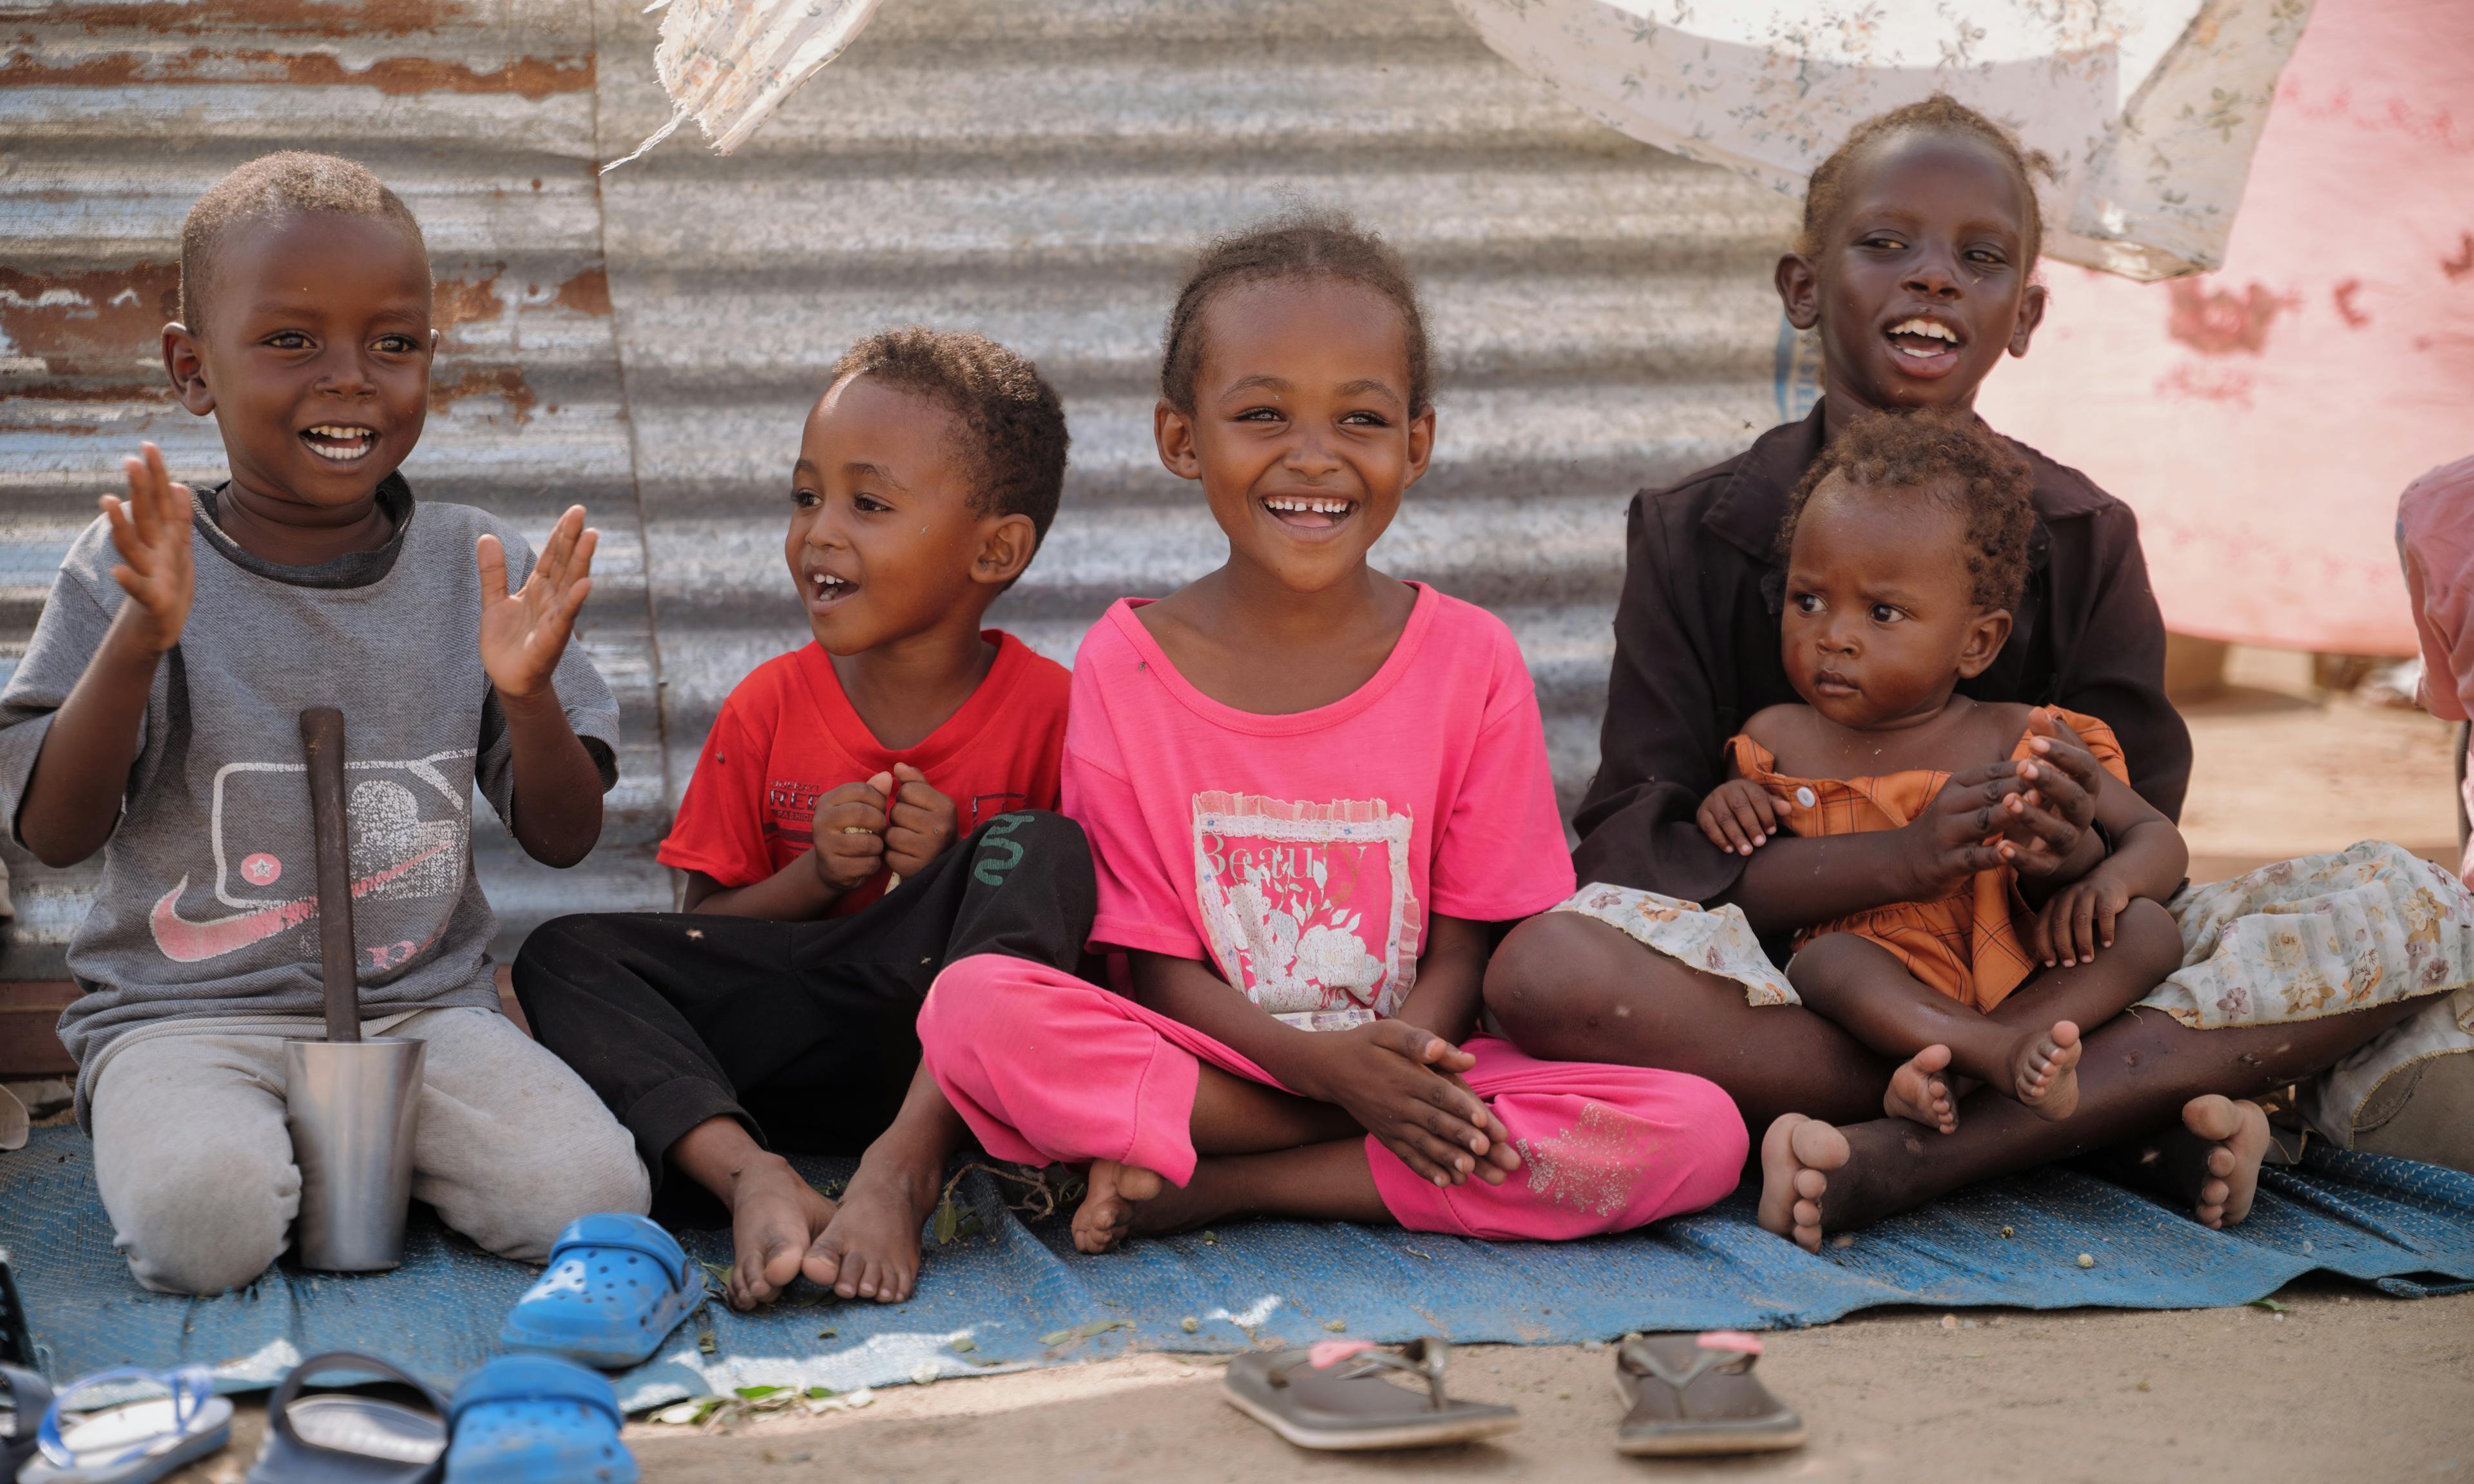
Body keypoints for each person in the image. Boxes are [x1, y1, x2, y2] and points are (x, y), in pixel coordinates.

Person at [1482, 97, 2452, 1251]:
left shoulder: (2085, 532)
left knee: (2415, 910)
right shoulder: (1695, 530)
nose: (1933, 277)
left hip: (2051, 984)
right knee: (1545, 964)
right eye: (1886, 243)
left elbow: (2146, 846)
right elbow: (1640, 837)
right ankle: (2088, 1121)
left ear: (2026, 315)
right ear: (1803, 289)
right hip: (1816, 985)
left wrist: (2069, 852)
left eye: (1979, 258)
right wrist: (1887, 858)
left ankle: (1907, 1154)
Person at [913, 213, 1749, 1255]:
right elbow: (1155, 968)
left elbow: (1472, 943)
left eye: (1360, 418)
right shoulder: (1125, 663)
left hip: (1429, 1060)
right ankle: (1328, 1145)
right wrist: (1332, 1072)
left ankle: (1230, 1186)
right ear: (1182, 438)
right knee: (978, 1009)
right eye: (1262, 412)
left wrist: (1397, 1063)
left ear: (1417, 442)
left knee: (1697, 1129)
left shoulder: (1471, 659)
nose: (1313, 456)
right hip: (1222, 1060)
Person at [0, 153, 647, 1295]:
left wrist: (529, 692)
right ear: (191, 370)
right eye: (291, 341)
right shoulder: (137, 559)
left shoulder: (470, 564)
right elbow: (53, 832)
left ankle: (333, 1150)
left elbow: (562, 834)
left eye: (393, 344)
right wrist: (140, 638)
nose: (351, 380)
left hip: (420, 1009)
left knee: (594, 1195)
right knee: (205, 1228)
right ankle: (230, 1144)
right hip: (184, 1014)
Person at [513, 328, 1089, 1309]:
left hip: (949, 1068)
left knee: (1043, 844)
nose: (819, 532)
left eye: (867, 504)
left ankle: (901, 1168)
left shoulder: (1056, 710)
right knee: (558, 955)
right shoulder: (769, 706)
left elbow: (1071, 952)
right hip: (778, 1054)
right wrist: (814, 881)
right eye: (805, 496)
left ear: (995, 548)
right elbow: (707, 934)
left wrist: (959, 867)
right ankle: (751, 1175)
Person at [1693, 407, 2187, 1137]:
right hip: (1876, 990)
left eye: (1883, 612)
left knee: (2150, 932)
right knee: (1825, 961)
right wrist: (1729, 804)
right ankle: (1995, 1059)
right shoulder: (1773, 739)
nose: (1834, 636)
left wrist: (2109, 885)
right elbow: (1743, 862)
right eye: (1809, 600)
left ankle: (1970, 1068)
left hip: (2028, 972)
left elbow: (2157, 837)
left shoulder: (2021, 734)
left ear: (1978, 643)